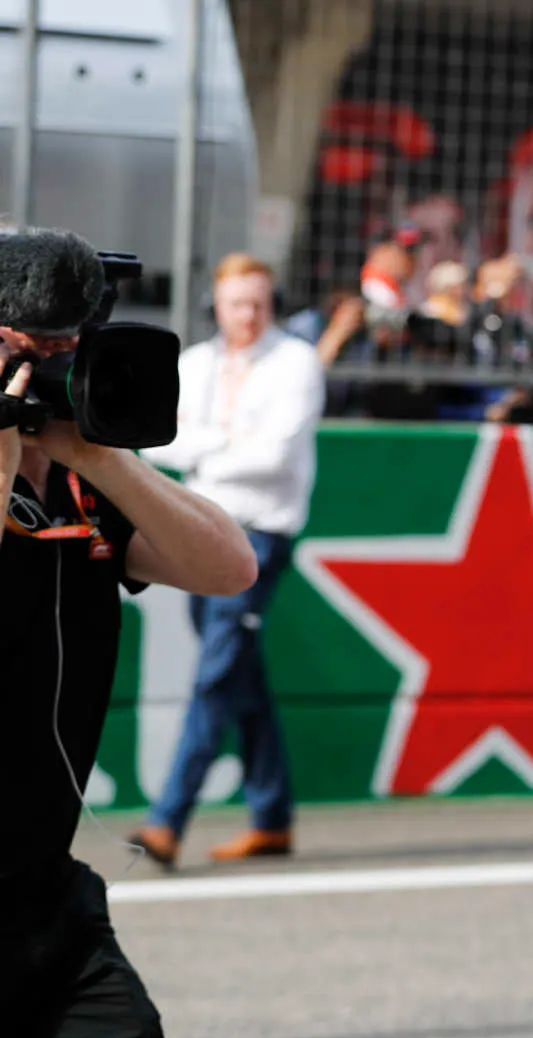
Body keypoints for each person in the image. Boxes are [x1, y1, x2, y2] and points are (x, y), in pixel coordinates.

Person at [0, 226, 257, 1038]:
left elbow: (228, 566)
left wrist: (97, 454)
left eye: (65, 350)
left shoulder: (80, 478)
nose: (45, 370)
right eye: (26, 351)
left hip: (45, 902)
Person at [130, 253, 325, 867]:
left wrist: (201, 451)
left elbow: (274, 456)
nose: (249, 314)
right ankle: (272, 818)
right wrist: (220, 447)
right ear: (217, 304)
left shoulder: (295, 362)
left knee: (217, 673)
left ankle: (168, 821)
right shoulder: (196, 363)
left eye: (260, 302)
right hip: (195, 532)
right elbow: (162, 440)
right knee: (240, 673)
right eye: (239, 302)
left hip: (259, 536)